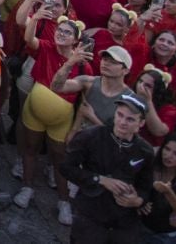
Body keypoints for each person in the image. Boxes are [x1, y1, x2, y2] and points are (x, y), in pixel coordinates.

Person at [63, 92, 154, 244]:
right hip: (90, 217)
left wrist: (137, 201)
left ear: (141, 123)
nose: (122, 122)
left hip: (122, 224)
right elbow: (66, 168)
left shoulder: (145, 151)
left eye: (130, 119)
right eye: (120, 115)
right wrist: (100, 180)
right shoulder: (92, 136)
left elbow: (146, 187)